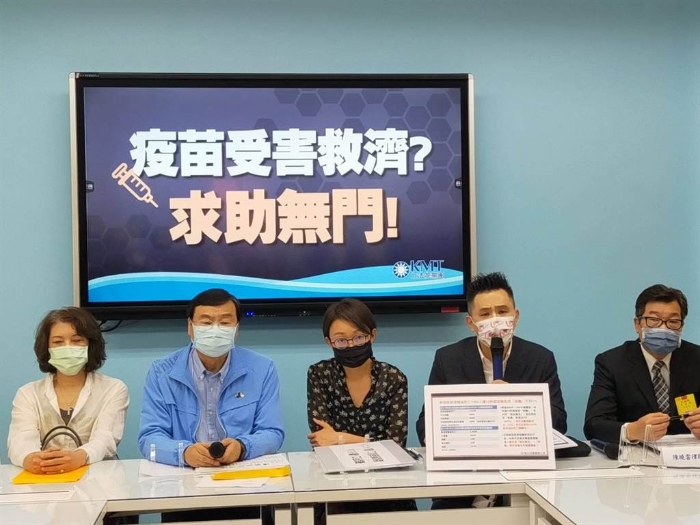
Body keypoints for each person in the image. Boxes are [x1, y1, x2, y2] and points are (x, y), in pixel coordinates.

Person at [415, 272, 567, 509]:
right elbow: (425, 424)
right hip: (461, 488)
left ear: (515, 317)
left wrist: (516, 403)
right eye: (485, 314)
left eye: (503, 311)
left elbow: (559, 423)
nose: (495, 321)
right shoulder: (448, 358)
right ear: (471, 323)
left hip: (524, 488)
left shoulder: (540, 358)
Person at [138, 288, 284, 523]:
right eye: (206, 322)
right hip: (183, 490)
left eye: (225, 322)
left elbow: (273, 433)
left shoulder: (262, 368)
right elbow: (149, 439)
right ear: (190, 327)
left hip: (246, 488)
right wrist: (185, 453)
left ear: (236, 329)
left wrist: (242, 447)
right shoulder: (161, 372)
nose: (215, 330)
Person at [307, 298, 416, 521]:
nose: (350, 345)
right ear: (329, 342)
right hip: (336, 486)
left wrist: (341, 438)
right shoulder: (319, 374)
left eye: (358, 337)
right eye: (341, 340)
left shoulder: (393, 378)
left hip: (388, 488)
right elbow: (322, 439)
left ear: (372, 335)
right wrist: (373, 443)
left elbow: (396, 445)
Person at [8, 307, 129, 474]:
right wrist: (31, 458)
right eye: (58, 342)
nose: (68, 347)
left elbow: (105, 439)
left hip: (96, 480)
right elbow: (20, 440)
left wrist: (79, 457)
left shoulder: (113, 389)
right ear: (46, 347)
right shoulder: (28, 393)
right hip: (44, 479)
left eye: (77, 340)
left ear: (90, 345)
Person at [584, 284, 700, 445]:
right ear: (637, 324)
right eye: (653, 320)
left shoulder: (696, 358)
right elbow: (593, 425)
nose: (663, 328)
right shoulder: (612, 363)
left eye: (673, 321)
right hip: (636, 453)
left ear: (681, 327)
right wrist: (632, 430)